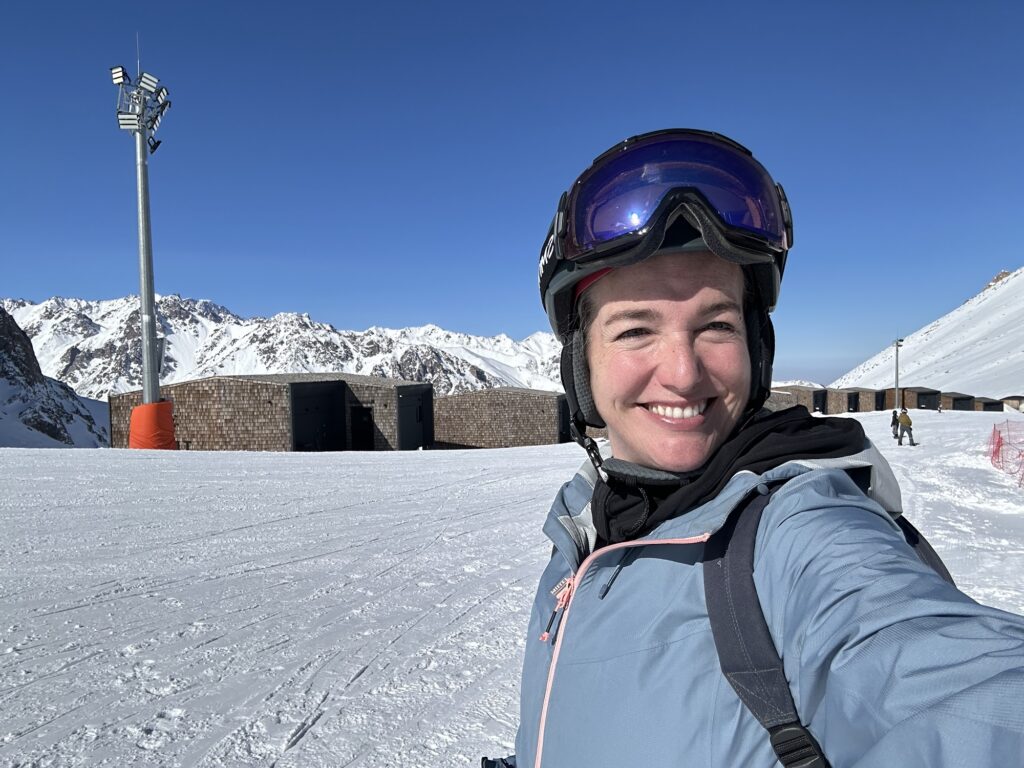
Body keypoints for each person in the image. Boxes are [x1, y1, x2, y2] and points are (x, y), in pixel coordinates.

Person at [482, 129, 1024, 767]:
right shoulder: (584, 524)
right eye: (634, 330)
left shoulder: (800, 530)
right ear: (582, 367)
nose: (683, 373)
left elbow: (958, 695)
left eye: (715, 325)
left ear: (756, 350)